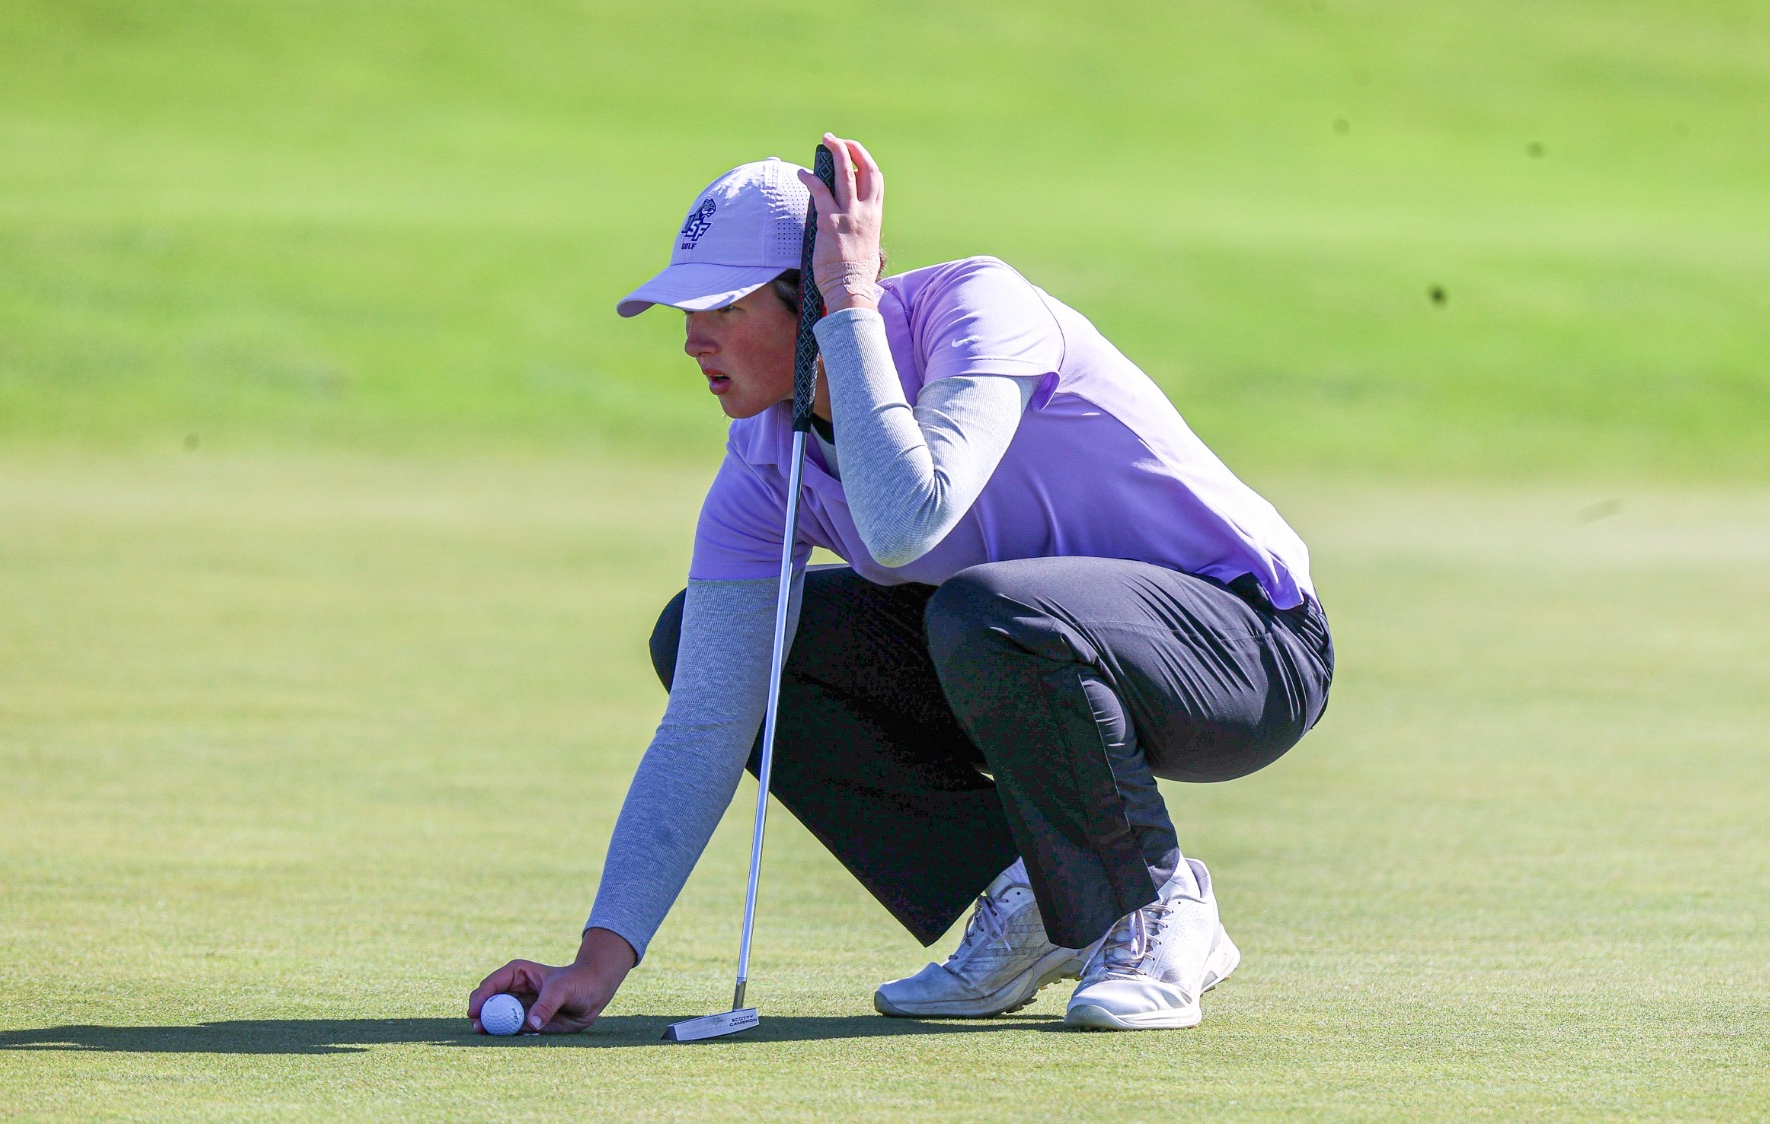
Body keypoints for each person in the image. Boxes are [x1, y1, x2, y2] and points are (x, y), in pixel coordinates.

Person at [468, 134, 1333, 1033]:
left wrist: (849, 304)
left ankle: (1154, 908)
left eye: (722, 306)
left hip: (1249, 649)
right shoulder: (766, 464)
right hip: (1040, 652)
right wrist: (599, 962)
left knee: (986, 610)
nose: (691, 339)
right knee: (704, 638)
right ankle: (1042, 902)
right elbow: (707, 719)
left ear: (807, 297)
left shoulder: (977, 308)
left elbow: (910, 516)